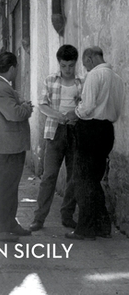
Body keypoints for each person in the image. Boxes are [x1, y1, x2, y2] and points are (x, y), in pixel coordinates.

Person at [65, 46, 125, 240]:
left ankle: (86, 228)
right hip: (107, 130)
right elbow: (116, 108)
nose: (86, 67)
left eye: (85, 63)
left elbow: (88, 107)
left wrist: (75, 112)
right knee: (94, 180)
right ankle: (102, 225)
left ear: (90, 58)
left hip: (90, 130)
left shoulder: (94, 75)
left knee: (83, 180)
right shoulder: (116, 78)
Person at [29, 45, 83, 232]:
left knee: (74, 176)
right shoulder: (50, 80)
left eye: (70, 66)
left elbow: (86, 107)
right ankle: (39, 218)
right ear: (59, 64)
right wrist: (58, 115)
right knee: (49, 176)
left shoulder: (81, 82)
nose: (67, 69)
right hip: (54, 132)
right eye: (64, 65)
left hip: (75, 132)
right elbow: (42, 105)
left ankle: (67, 216)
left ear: (75, 64)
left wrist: (73, 114)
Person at [0, 51, 33, 242]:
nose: (17, 71)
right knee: (3, 188)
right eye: (16, 68)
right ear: (11, 68)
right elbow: (14, 114)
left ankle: (9, 223)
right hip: (7, 146)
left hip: (7, 145)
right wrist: (27, 108)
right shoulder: (0, 88)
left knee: (9, 187)